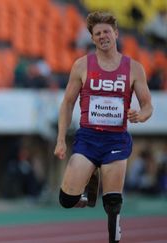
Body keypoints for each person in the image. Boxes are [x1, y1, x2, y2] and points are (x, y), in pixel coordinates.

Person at [54, 11, 153, 243]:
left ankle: (114, 232)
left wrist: (141, 115)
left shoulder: (134, 68)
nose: (102, 36)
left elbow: (148, 105)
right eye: (97, 33)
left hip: (116, 140)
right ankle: (90, 185)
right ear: (92, 38)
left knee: (112, 203)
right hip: (88, 138)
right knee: (66, 200)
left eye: (106, 31)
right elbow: (67, 103)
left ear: (116, 33)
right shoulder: (81, 66)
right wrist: (60, 139)